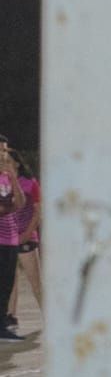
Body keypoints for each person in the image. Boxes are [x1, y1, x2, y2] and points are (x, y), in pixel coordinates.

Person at [0, 140, 31, 341]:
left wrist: (12, 175)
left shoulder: (7, 177)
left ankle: (2, 325)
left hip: (10, 239)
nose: (4, 153)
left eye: (5, 150)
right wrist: (7, 207)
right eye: (1, 150)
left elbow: (20, 204)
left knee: (6, 284)